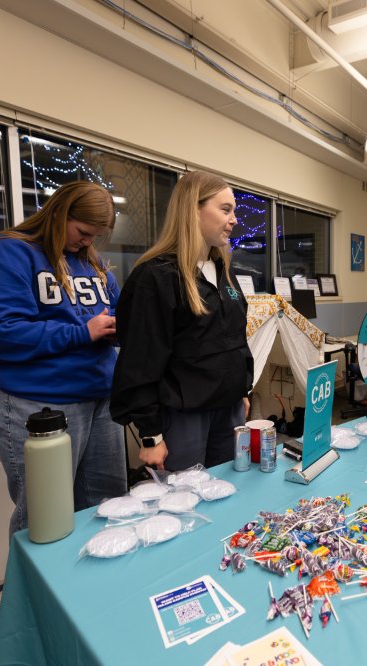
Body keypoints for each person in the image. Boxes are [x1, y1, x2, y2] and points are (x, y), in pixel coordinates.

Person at [0, 181, 127, 537]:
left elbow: (117, 310)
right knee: (44, 522)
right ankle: (35, 593)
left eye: (95, 236)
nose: (88, 242)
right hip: (40, 405)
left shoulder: (93, 263)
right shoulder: (9, 253)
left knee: (108, 511)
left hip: (100, 399)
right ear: (59, 213)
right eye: (83, 232)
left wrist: (121, 328)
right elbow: (1, 332)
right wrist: (82, 333)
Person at [110, 170, 252, 471]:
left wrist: (241, 390)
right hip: (184, 416)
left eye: (234, 211)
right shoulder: (156, 277)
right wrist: (150, 434)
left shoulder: (225, 272)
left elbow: (234, 339)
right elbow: (140, 361)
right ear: (193, 210)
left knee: (230, 495)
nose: (234, 219)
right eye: (225, 209)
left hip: (228, 410)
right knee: (186, 507)